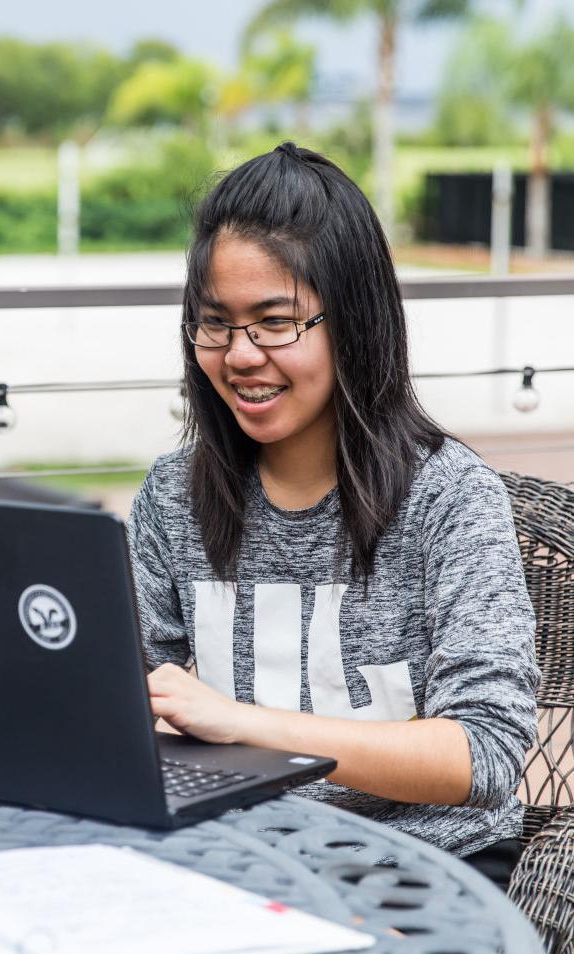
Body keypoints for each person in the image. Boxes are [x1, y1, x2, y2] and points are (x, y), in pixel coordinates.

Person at [127, 143, 538, 892]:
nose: (239, 355)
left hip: (424, 870)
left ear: (352, 319)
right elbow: (114, 700)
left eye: (274, 322)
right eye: (215, 323)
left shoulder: (449, 498)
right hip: (233, 864)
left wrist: (244, 723)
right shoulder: (172, 498)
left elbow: (483, 754)